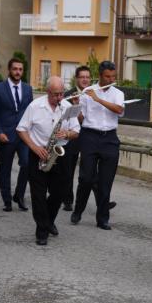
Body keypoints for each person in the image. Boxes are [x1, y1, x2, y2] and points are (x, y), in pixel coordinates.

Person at [17, 76, 80, 245]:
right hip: (39, 153)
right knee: (38, 195)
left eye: (61, 94)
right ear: (48, 92)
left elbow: (76, 131)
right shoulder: (35, 106)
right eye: (55, 95)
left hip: (60, 153)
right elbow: (21, 129)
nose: (59, 98)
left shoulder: (67, 107)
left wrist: (67, 134)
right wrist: (34, 147)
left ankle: (48, 220)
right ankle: (42, 231)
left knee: (59, 192)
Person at [72, 61, 124, 230]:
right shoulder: (87, 92)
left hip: (109, 138)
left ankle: (102, 218)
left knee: (105, 182)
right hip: (89, 136)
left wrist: (98, 99)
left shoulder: (118, 93)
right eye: (107, 76)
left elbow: (119, 110)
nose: (110, 79)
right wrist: (75, 106)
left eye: (113, 77)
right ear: (100, 76)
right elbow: (81, 118)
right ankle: (78, 209)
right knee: (86, 178)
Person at [0, 58, 33, 212]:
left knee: (27, 164)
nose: (18, 72)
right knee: (5, 168)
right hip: (6, 135)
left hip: (24, 135)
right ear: (9, 70)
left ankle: (19, 195)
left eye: (20, 69)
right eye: (15, 69)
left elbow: (31, 112)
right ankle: (7, 200)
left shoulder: (28, 89)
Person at [61, 65, 93, 212]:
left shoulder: (94, 94)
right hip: (73, 136)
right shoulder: (67, 95)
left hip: (90, 137)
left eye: (87, 77)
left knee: (91, 172)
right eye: (82, 77)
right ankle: (67, 200)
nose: (85, 80)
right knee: (69, 169)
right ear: (76, 79)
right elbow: (72, 120)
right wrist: (76, 105)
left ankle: (102, 202)